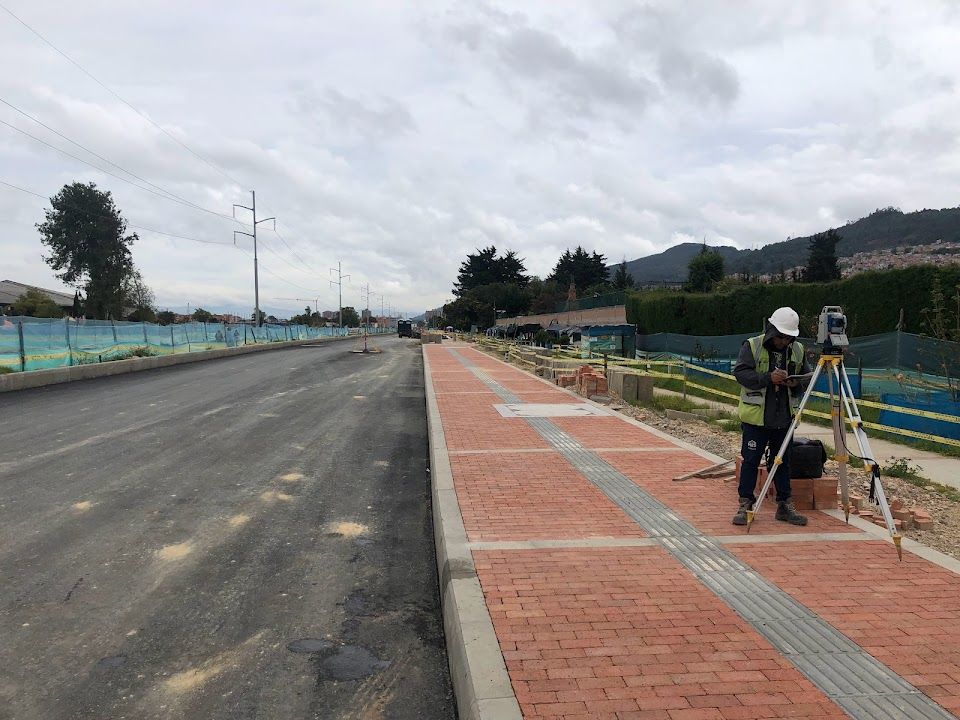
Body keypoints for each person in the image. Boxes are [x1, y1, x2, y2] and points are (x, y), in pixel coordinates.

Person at [732, 306, 811, 526]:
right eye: (781, 337)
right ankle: (745, 503)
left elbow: (807, 375)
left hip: (784, 417)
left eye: (788, 338)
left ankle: (785, 505)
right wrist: (768, 378)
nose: (784, 342)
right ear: (772, 330)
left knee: (782, 462)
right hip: (757, 418)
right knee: (750, 461)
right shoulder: (752, 346)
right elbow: (740, 373)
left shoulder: (798, 349)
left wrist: (796, 382)